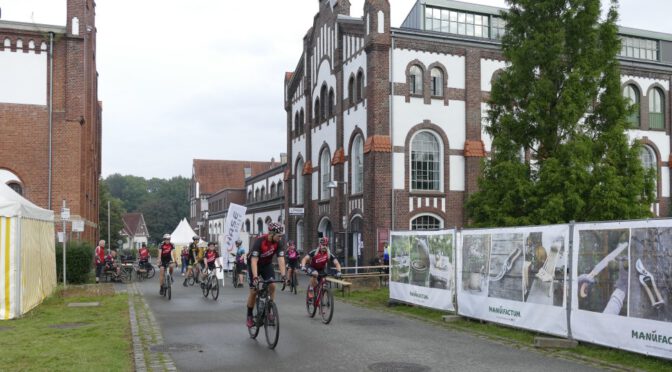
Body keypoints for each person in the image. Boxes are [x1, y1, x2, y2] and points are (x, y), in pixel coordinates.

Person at [246, 222, 287, 328]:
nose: (280, 238)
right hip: (254, 265)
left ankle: (269, 309)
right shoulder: (260, 241)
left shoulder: (278, 243)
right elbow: (254, 261)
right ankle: (249, 316)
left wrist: (283, 275)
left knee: (272, 285)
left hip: (266, 265)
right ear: (272, 234)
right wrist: (255, 277)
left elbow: (281, 260)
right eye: (279, 236)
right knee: (254, 291)